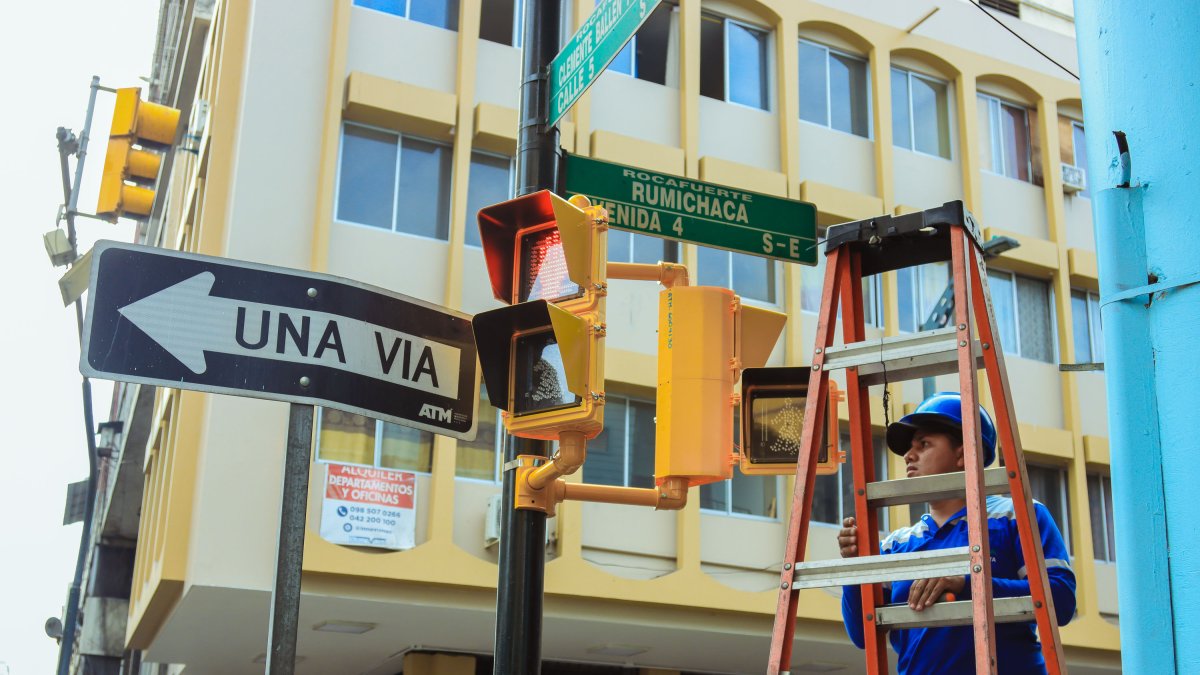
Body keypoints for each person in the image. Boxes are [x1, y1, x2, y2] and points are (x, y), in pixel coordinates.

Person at [839, 392, 1076, 674]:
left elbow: (1060, 601)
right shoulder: (895, 545)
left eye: (924, 444)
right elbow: (862, 636)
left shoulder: (1018, 516)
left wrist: (968, 584)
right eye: (910, 447)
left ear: (964, 454)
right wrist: (855, 565)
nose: (908, 455)